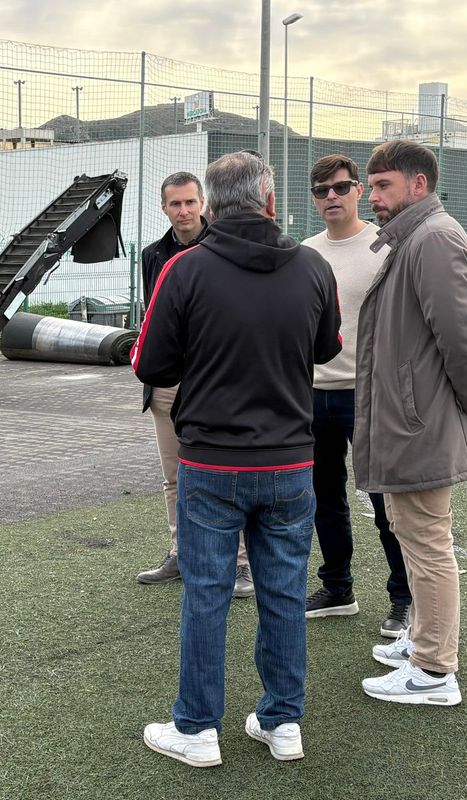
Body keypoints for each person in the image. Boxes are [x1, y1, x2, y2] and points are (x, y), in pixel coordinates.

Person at [134, 151, 341, 767]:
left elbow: (150, 363)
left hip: (212, 463)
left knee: (206, 594)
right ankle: (283, 724)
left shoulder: (183, 270)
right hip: (288, 462)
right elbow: (326, 347)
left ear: (212, 204)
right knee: (282, 593)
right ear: (269, 197)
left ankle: (197, 730)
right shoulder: (312, 267)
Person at [354, 140, 467, 706]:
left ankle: (434, 670)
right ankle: (423, 641)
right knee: (411, 532)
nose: (373, 198)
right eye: (372, 186)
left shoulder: (434, 238)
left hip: (422, 422)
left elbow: (464, 338)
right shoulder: (413, 237)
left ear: (418, 185)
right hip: (409, 419)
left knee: (426, 541)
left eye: (383, 186)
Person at [300, 154, 412, 637]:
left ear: (359, 192)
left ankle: (404, 599)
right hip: (311, 394)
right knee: (324, 499)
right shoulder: (303, 253)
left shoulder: (385, 247)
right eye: (322, 190)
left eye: (341, 188)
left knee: (386, 502)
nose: (332, 197)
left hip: (367, 396)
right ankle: (338, 587)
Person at [136, 171, 253, 599]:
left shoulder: (225, 247)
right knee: (174, 476)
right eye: (175, 204)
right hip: (169, 384)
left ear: (204, 203)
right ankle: (181, 552)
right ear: (164, 208)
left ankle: (240, 564)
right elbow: (152, 320)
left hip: (218, 381)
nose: (183, 211)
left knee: (227, 474)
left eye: (190, 202)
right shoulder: (153, 255)